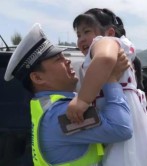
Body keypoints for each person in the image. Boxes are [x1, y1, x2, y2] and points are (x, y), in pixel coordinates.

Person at [4, 23, 133, 166]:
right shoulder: (59, 114)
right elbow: (121, 128)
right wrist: (111, 79)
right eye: (58, 59)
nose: (67, 61)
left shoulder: (48, 107)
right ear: (38, 78)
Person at [67, 8, 147, 166]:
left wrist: (82, 100)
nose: (82, 39)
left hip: (121, 124)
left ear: (110, 33)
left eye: (86, 32)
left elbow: (105, 58)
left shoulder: (104, 42)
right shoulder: (119, 49)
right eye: (78, 35)